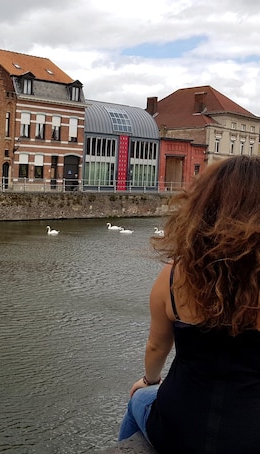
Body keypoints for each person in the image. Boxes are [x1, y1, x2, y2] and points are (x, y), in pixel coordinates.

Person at [118, 155, 260, 453]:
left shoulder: (174, 276)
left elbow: (157, 347)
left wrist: (149, 380)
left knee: (139, 399)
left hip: (180, 425)